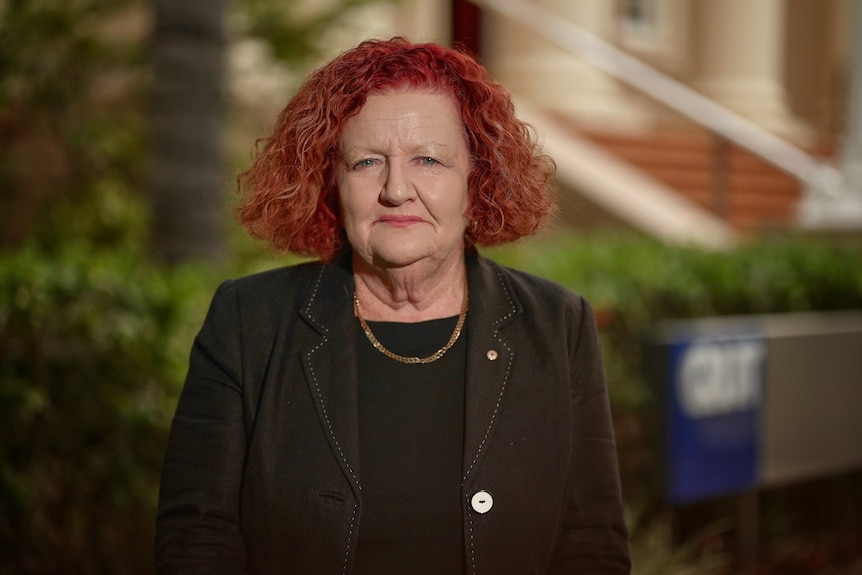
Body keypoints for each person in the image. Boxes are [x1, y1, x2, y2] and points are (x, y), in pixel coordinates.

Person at [155, 37, 630, 575]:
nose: (396, 189)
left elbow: (592, 543)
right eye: (366, 162)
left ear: (477, 180)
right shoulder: (248, 322)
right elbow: (196, 541)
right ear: (330, 181)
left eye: (428, 159)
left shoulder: (558, 325)